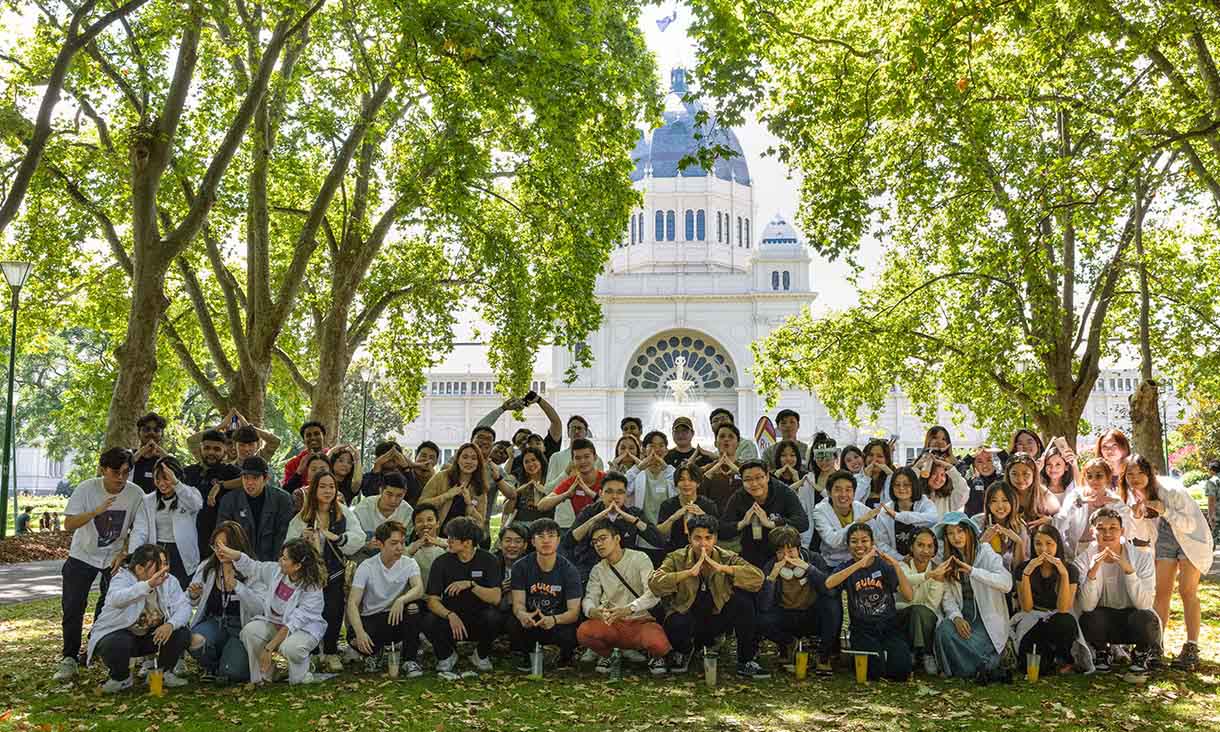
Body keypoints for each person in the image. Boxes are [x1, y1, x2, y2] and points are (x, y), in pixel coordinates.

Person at [54, 447, 145, 682]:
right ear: (103, 470)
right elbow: (69, 524)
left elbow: (139, 529)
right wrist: (96, 511)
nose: (121, 478)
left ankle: (93, 647)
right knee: (73, 606)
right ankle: (69, 657)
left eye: (126, 472)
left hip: (113, 558)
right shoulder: (86, 488)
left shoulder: (136, 494)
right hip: (82, 555)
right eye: (115, 472)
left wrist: (125, 553)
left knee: (109, 606)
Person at [1120, 453, 1214, 671]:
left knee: (1187, 591)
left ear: (1149, 472)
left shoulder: (1170, 489)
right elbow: (1141, 531)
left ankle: (1191, 646)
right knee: (1161, 592)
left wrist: (1164, 510)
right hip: (1163, 540)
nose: (1135, 478)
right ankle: (1156, 645)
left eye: (1140, 473)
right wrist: (1137, 516)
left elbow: (1190, 524)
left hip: (1191, 539)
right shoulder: (1132, 495)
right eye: (1130, 474)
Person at [648, 514, 769, 679]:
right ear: (689, 539)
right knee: (674, 620)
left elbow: (758, 578)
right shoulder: (676, 557)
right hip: (688, 615)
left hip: (717, 616)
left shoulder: (727, 556)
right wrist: (687, 573)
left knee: (744, 603)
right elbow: (655, 583)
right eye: (697, 538)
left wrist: (724, 568)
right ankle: (683, 651)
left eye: (708, 538)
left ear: (715, 539)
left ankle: (746, 660)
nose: (703, 543)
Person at [213, 538, 327, 685]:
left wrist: (269, 648)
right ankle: (263, 676)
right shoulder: (276, 571)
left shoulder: (313, 589)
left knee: (290, 648)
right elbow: (253, 567)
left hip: (303, 629)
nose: (280, 561)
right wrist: (234, 555)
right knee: (250, 631)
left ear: (297, 566)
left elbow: (293, 623)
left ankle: (303, 671)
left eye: (285, 559)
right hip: (276, 623)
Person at [285, 469, 365, 671]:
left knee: (334, 610)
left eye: (331, 487)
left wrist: (337, 537)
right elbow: (288, 545)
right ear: (314, 489)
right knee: (310, 612)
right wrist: (301, 540)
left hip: (334, 572)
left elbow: (359, 538)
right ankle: (311, 653)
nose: (328, 491)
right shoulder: (303, 516)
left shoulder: (343, 512)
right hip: (309, 575)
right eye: (322, 486)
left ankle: (330, 652)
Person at [87, 544, 192, 693]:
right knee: (115, 642)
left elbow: (184, 607)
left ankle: (161, 674)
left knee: (181, 633)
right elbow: (116, 599)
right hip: (123, 636)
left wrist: (170, 624)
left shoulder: (170, 581)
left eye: (165, 563)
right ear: (139, 569)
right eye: (158, 565)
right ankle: (121, 678)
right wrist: (147, 585)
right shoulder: (122, 577)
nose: (164, 569)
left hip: (152, 636)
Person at [578, 520, 671, 675]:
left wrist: (629, 609)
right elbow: (590, 597)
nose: (599, 544)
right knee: (584, 632)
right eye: (595, 542)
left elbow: (653, 594)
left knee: (659, 645)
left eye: (603, 538)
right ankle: (608, 654)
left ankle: (653, 656)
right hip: (613, 622)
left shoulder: (639, 558)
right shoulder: (598, 569)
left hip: (641, 620)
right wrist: (593, 611)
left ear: (617, 538)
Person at [824, 523, 914, 681]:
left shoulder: (883, 565)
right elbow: (829, 583)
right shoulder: (847, 567)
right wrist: (859, 564)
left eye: (864, 540)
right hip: (862, 628)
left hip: (889, 626)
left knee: (901, 672)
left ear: (872, 543)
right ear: (848, 545)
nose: (859, 545)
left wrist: (896, 566)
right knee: (873, 672)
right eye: (854, 541)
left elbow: (909, 596)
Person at [1075, 507, 1161, 672]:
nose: (1107, 533)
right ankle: (1101, 651)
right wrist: (1092, 573)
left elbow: (1144, 604)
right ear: (1092, 532)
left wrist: (1129, 571)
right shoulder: (1083, 561)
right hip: (1103, 619)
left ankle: (1141, 653)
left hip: (1133, 617)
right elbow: (1086, 606)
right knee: (1088, 618)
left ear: (1122, 531)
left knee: (1146, 618)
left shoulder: (1142, 558)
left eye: (1113, 528)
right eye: (1101, 528)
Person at [930, 512, 1012, 679]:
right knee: (944, 630)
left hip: (986, 617)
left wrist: (973, 571)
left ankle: (982, 665)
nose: (956, 537)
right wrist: (956, 617)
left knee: (974, 644)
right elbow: (947, 596)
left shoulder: (985, 552)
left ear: (969, 531)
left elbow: (1006, 583)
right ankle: (986, 665)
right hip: (964, 614)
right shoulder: (947, 560)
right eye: (951, 533)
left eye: (960, 531)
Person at [422, 516, 503, 677]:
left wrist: (471, 585)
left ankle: (481, 655)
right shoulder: (441, 562)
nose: (448, 541)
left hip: (478, 617)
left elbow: (496, 597)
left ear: (467, 542)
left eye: (452, 538)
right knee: (428, 619)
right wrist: (449, 615)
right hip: (451, 618)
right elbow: (432, 600)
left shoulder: (489, 560)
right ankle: (446, 655)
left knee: (495, 617)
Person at [757, 526, 839, 674]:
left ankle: (824, 655)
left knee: (832, 606)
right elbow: (764, 605)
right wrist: (771, 578)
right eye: (780, 552)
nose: (786, 557)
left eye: (790, 551)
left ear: (799, 549)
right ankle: (788, 643)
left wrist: (809, 569)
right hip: (785, 615)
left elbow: (830, 590)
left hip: (811, 614)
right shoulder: (770, 566)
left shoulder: (814, 559)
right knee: (761, 619)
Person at [347, 520, 425, 676]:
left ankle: (409, 660)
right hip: (373, 618)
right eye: (394, 543)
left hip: (396, 616)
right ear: (380, 544)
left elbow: (419, 589)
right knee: (354, 638)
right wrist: (360, 632)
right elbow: (352, 603)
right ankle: (375, 653)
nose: (400, 548)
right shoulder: (367, 566)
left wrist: (401, 600)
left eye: (402, 542)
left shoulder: (409, 563)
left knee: (414, 608)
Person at [186, 521, 259, 683]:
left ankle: (226, 664)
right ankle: (212, 666)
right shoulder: (208, 567)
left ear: (237, 546)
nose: (220, 551)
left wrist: (237, 586)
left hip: (240, 627)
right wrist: (194, 595)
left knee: (233, 673)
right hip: (214, 621)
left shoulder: (253, 569)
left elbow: (259, 608)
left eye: (225, 546)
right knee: (194, 641)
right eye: (216, 546)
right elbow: (189, 600)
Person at [1011, 524, 1088, 675]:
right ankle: (1048, 660)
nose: (1044, 549)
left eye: (1049, 543)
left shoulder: (1070, 570)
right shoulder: (1023, 568)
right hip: (1033, 618)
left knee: (1065, 620)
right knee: (1036, 668)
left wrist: (1063, 574)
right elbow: (1026, 607)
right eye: (1038, 544)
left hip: (1058, 618)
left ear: (1057, 545)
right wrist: (1026, 574)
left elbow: (1064, 608)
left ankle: (1062, 658)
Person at [508, 519, 583, 670]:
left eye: (551, 536)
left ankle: (565, 657)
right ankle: (526, 655)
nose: (546, 540)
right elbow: (518, 603)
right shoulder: (520, 567)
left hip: (558, 619)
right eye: (540, 536)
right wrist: (523, 615)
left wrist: (554, 619)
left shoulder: (570, 570)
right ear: (532, 541)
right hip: (532, 618)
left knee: (571, 631)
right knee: (513, 622)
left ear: (558, 540)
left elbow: (573, 612)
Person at [564, 471, 664, 582]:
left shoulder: (633, 514)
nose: (614, 496)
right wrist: (594, 519)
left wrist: (634, 521)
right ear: (601, 493)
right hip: (590, 570)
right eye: (609, 491)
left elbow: (659, 541)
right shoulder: (590, 511)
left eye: (620, 492)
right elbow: (568, 542)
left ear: (626, 495)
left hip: (625, 571)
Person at [719, 459, 809, 569]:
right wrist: (743, 523)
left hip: (782, 553)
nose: (754, 484)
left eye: (758, 478)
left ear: (767, 476)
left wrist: (771, 523)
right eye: (748, 479)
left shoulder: (784, 492)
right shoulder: (739, 497)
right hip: (751, 553)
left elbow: (803, 523)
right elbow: (722, 530)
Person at [131, 456, 203, 589]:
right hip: (156, 551)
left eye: (166, 478)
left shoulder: (189, 493)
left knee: (181, 591)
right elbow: (140, 530)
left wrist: (176, 484)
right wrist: (134, 555)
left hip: (181, 554)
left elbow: (196, 505)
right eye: (157, 479)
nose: (162, 483)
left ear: (176, 477)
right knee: (158, 589)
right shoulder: (148, 500)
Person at [217, 456, 295, 561]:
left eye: (255, 478)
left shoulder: (282, 499)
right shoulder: (229, 500)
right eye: (246, 478)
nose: (249, 482)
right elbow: (223, 536)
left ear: (265, 479)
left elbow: (284, 536)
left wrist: (276, 565)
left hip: (273, 562)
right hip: (239, 562)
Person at [184, 429, 242, 562]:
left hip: (218, 539)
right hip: (188, 538)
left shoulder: (230, 472)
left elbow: (247, 480)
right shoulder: (188, 472)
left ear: (225, 451)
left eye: (216, 449)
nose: (211, 452)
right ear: (200, 449)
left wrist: (220, 485)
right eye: (207, 448)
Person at [1053, 458, 1123, 560]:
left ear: (1108, 477)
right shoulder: (1075, 496)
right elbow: (1058, 525)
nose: (1094, 480)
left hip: (1106, 551)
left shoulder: (1115, 500)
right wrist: (1079, 503)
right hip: (1076, 552)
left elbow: (1126, 530)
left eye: (1099, 476)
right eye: (1089, 476)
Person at [896, 527, 945, 675]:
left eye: (930, 546)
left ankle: (920, 653)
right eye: (920, 545)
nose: (925, 550)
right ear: (911, 547)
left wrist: (915, 606)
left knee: (920, 612)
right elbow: (905, 582)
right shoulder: (902, 566)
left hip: (926, 618)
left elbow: (932, 605)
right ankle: (922, 652)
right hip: (903, 616)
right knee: (914, 611)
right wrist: (928, 576)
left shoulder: (937, 570)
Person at [812, 470, 879, 567]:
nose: (843, 494)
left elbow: (875, 537)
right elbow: (832, 541)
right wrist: (858, 522)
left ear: (854, 493)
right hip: (834, 563)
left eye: (848, 490)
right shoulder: (820, 511)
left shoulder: (861, 508)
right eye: (838, 490)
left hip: (861, 560)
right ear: (829, 493)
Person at [418, 443, 489, 535]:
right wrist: (446, 495)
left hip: (462, 538)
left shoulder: (480, 487)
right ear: (457, 460)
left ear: (478, 463)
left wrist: (469, 504)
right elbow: (421, 504)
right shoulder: (441, 477)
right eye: (465, 457)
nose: (469, 461)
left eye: (473, 458)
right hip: (435, 534)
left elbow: (480, 522)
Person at [537, 438, 605, 528]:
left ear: (595, 458)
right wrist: (566, 494)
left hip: (607, 528)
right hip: (581, 529)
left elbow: (615, 504)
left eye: (586, 456)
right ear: (572, 461)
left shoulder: (607, 478)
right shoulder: (572, 482)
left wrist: (591, 493)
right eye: (578, 458)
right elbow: (541, 505)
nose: (582, 461)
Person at [872, 466, 938, 559]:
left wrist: (898, 516)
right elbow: (881, 543)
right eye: (897, 485)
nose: (901, 488)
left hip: (924, 559)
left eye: (906, 484)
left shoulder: (924, 503)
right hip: (896, 561)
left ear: (914, 485)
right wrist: (901, 559)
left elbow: (933, 519)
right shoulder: (886, 510)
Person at [352, 471, 415, 562]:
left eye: (399, 496)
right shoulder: (363, 508)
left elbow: (408, 544)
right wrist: (366, 545)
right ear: (381, 490)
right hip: (366, 556)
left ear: (404, 493)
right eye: (389, 494)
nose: (393, 500)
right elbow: (352, 540)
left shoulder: (407, 513)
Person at [657, 464, 720, 553]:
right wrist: (673, 517)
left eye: (691, 480)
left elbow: (717, 532)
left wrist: (704, 516)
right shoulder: (667, 505)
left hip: (702, 550)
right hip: (675, 552)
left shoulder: (708, 505)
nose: (686, 484)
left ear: (698, 483)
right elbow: (659, 533)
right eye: (682, 480)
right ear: (676, 483)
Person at [970, 482, 1028, 571]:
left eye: (1005, 500)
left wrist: (1019, 542)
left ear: (1013, 502)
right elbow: (969, 561)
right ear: (988, 504)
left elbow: (1019, 570)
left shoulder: (1020, 527)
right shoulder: (976, 522)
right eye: (994, 501)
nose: (1000, 506)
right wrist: (982, 542)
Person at [187, 409, 280, 463]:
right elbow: (191, 441)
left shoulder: (258, 460)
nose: (233, 447)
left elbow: (275, 441)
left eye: (241, 444)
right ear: (223, 446)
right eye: (229, 443)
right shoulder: (215, 461)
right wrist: (219, 426)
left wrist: (249, 428)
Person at [544, 416, 605, 491]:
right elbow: (548, 490)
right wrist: (566, 472)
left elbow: (601, 489)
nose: (576, 431)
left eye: (579, 428)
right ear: (568, 433)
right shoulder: (556, 457)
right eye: (573, 428)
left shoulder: (597, 460)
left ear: (586, 432)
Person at [699, 423, 746, 512]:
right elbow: (698, 495)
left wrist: (736, 470)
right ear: (715, 443)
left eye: (731, 436)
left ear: (738, 443)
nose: (726, 439)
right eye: (722, 436)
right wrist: (710, 472)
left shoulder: (746, 469)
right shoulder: (706, 469)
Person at [1004, 452, 1057, 526]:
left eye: (1026, 474)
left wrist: (1051, 521)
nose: (1020, 479)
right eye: (1014, 474)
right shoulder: (1002, 493)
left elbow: (1062, 520)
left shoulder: (1045, 495)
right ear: (1008, 475)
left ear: (1034, 474)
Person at [503, 446, 552, 524]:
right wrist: (517, 492)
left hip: (544, 525)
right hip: (520, 525)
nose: (530, 464)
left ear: (541, 461)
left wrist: (544, 490)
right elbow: (506, 511)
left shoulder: (551, 479)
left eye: (533, 460)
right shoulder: (518, 480)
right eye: (526, 462)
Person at [404, 504, 448, 587]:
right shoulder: (409, 549)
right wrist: (410, 552)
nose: (425, 524)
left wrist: (444, 546)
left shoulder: (449, 545)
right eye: (419, 521)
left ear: (437, 523)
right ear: (414, 526)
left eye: (429, 520)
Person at [131, 412, 171, 494]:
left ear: (162, 435)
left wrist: (165, 457)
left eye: (156, 430)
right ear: (138, 433)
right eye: (147, 429)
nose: (151, 433)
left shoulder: (166, 459)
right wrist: (141, 452)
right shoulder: (129, 455)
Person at [282, 420, 328, 485]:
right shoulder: (292, 464)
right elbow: (286, 490)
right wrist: (299, 472)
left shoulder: (334, 457)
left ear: (323, 436)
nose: (313, 438)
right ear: (304, 440)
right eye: (308, 435)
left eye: (316, 434)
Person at [855, 438, 894, 507]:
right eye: (871, 455)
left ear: (887, 460)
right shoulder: (856, 479)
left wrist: (890, 475)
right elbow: (853, 501)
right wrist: (866, 478)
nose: (874, 459)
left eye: (880, 456)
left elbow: (891, 504)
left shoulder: (893, 479)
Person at [965, 446, 1002, 516]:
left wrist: (1000, 452)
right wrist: (969, 457)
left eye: (989, 460)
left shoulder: (1003, 480)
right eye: (979, 461)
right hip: (974, 522)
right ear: (974, 465)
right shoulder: (970, 484)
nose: (985, 465)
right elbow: (954, 474)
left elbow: (1013, 465)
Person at [1205, 460, 1220, 543]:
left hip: (1217, 516)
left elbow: (1211, 499)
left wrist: (1210, 516)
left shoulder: (1212, 481)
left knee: (1213, 541)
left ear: (1211, 470)